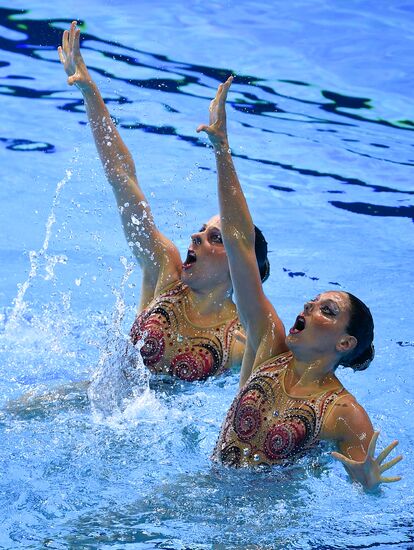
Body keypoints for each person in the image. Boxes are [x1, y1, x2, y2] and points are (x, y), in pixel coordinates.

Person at [197, 76, 402, 490]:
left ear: (345, 343)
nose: (309, 308)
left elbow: (369, 488)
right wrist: (222, 150)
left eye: (327, 310)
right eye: (312, 302)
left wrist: (368, 484)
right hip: (207, 486)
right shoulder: (267, 345)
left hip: (266, 521)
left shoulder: (344, 412)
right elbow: (240, 245)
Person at [57, 22, 270, 382]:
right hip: (94, 400)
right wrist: (91, 94)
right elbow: (123, 178)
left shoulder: (241, 341)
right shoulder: (166, 271)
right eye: (202, 230)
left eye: (215, 238)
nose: (197, 237)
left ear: (238, 265)